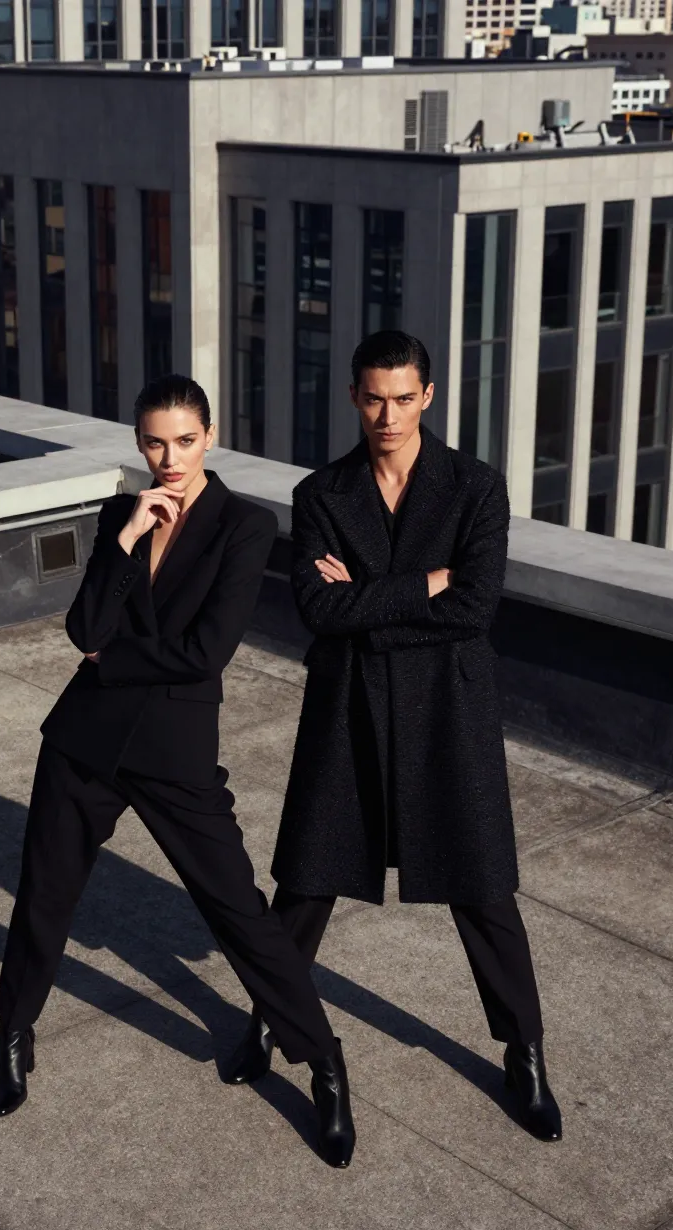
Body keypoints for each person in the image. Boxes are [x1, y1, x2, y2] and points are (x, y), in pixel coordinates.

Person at [0, 374, 356, 1166]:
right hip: (83, 742)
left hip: (175, 753)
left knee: (238, 911)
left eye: (184, 440)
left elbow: (204, 654)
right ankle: (12, 1033)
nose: (170, 458)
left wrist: (110, 655)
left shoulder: (245, 527)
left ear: (211, 436)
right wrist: (123, 545)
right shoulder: (119, 515)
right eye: (154, 441)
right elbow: (80, 627)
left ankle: (323, 1060)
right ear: (137, 441)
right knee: (44, 896)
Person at [223, 331, 563, 1142]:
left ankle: (526, 1053)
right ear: (353, 397)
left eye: (403, 397)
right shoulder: (321, 496)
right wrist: (420, 588)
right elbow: (317, 611)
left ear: (429, 397)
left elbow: (475, 608)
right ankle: (271, 1019)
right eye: (374, 397)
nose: (388, 413)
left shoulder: (476, 488)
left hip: (450, 715)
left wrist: (369, 600)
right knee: (306, 885)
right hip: (347, 714)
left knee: (484, 892)